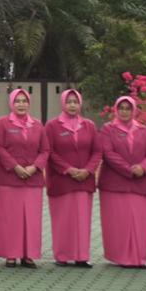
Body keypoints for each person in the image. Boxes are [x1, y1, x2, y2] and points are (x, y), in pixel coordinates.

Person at [97, 96, 146, 269]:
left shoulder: (144, 131)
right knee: (119, 222)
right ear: (116, 110)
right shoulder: (108, 129)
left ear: (134, 110)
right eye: (121, 108)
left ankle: (138, 258)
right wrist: (129, 169)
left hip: (141, 183)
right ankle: (121, 257)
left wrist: (143, 168)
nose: (124, 111)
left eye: (128, 108)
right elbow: (108, 153)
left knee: (140, 222)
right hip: (115, 184)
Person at [0, 88, 48, 268]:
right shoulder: (2, 123)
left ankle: (28, 255)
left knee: (30, 219)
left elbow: (45, 150)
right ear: (11, 103)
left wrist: (34, 167)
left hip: (32, 179)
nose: (21, 104)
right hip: (9, 178)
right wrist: (15, 166)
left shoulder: (38, 125)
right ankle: (10, 254)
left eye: (24, 101)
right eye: (18, 101)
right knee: (10, 217)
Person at [44, 88, 100, 268]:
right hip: (62, 180)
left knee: (83, 220)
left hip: (84, 180)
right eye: (69, 102)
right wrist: (68, 169)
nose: (72, 105)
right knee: (63, 219)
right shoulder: (52, 126)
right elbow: (49, 152)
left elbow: (97, 151)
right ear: (63, 104)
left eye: (75, 102)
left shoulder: (89, 125)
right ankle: (62, 255)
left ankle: (81, 256)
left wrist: (88, 170)